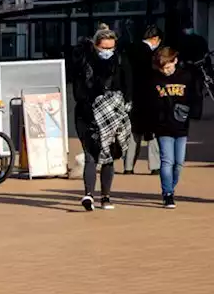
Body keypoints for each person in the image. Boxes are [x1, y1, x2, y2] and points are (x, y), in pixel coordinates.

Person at [71, 27, 132, 211]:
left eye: (111, 48)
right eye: (104, 48)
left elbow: (129, 87)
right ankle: (88, 194)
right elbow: (78, 89)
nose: (107, 51)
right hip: (87, 114)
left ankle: (105, 196)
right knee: (90, 155)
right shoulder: (84, 62)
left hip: (113, 116)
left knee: (108, 156)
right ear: (96, 46)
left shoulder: (121, 61)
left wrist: (124, 107)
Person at [138, 47, 203, 208]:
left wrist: (194, 112)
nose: (165, 71)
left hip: (181, 125)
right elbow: (147, 104)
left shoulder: (186, 77)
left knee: (179, 162)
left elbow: (195, 97)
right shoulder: (153, 79)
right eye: (162, 68)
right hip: (162, 126)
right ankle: (167, 193)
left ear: (175, 61)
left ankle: (171, 187)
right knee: (167, 160)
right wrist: (147, 126)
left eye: (167, 67)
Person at [124, 25, 163, 175]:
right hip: (150, 97)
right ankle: (154, 165)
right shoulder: (153, 55)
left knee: (134, 133)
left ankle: (128, 166)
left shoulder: (130, 50)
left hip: (133, 96)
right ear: (155, 39)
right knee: (152, 133)